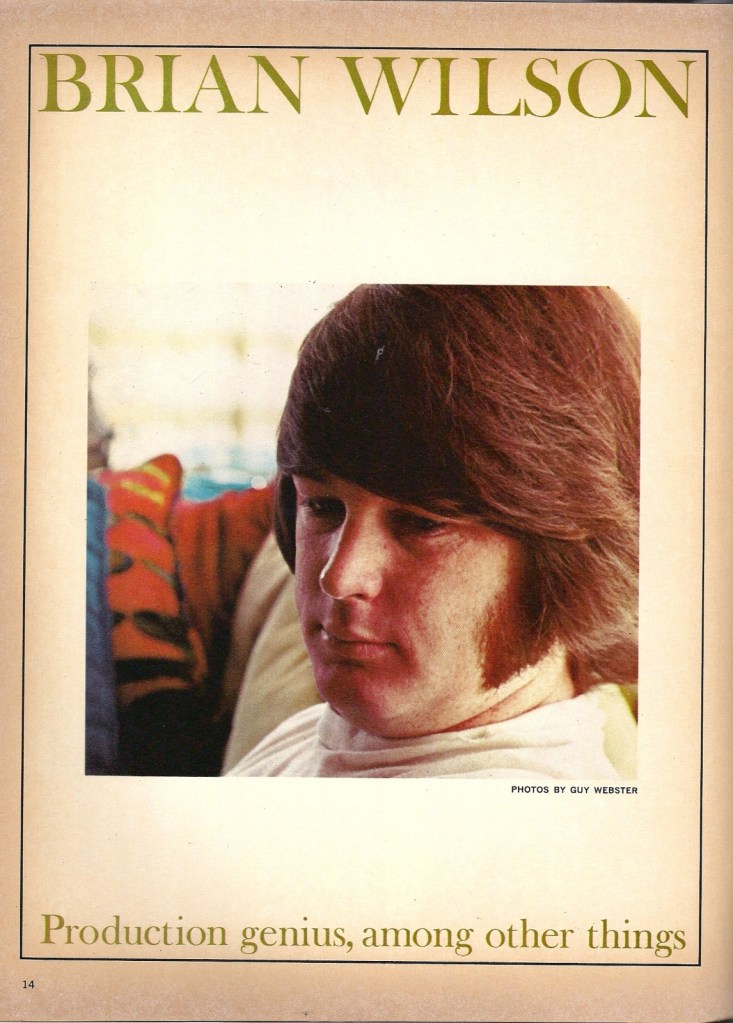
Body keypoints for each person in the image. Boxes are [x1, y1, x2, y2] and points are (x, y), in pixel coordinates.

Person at [227, 285, 639, 778]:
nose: (339, 578)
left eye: (422, 523)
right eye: (323, 507)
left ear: (566, 554)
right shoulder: (312, 735)